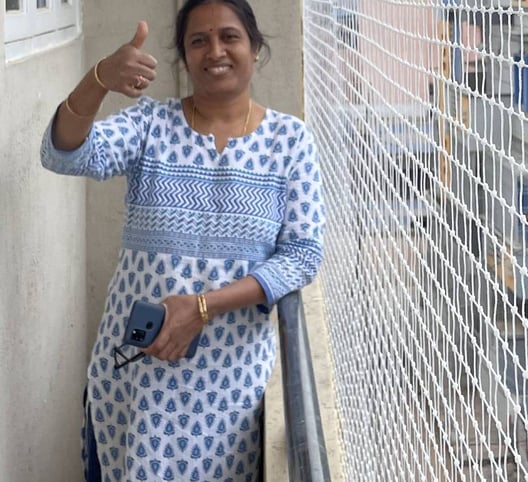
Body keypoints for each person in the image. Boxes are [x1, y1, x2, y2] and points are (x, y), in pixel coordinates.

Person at [40, 0, 324, 480]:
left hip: (228, 396)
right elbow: (65, 154)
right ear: (185, 56)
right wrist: (98, 80)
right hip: (134, 382)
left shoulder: (289, 141)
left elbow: (301, 255)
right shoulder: (151, 125)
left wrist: (203, 307)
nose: (215, 50)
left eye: (230, 36)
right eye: (199, 40)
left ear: (255, 47)